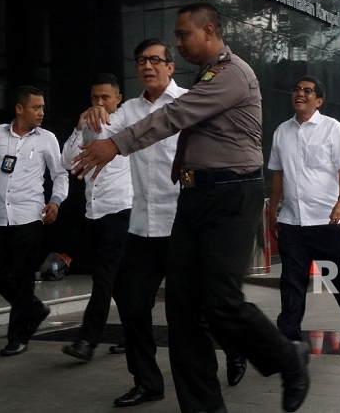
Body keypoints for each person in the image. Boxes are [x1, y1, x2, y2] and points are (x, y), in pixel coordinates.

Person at [71, 3, 310, 413]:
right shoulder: (203, 77)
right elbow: (122, 120)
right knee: (182, 314)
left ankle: (290, 358)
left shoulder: (231, 73)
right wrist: (92, 121)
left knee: (220, 299)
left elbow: (178, 114)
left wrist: (116, 145)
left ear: (209, 30)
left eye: (183, 35)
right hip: (195, 199)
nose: (178, 44)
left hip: (231, 196)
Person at [88, 39, 247, 407]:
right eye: (141, 60)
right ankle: (147, 382)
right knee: (132, 307)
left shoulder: (192, 102)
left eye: (156, 60)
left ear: (170, 67)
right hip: (142, 227)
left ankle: (234, 348)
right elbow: (101, 139)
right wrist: (91, 118)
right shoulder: (127, 110)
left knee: (200, 310)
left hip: (184, 226)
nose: (148, 66)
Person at [0, 85, 69, 356]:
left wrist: (55, 201)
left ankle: (17, 336)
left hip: (31, 217)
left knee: (22, 278)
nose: (41, 112)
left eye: (43, 107)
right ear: (19, 109)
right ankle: (34, 308)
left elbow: (60, 174)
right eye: (36, 107)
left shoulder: (47, 139)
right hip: (0, 216)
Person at [267, 76, 340, 343]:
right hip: (292, 220)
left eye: (307, 91)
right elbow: (278, 175)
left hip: (327, 220)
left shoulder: (332, 128)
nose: (300, 93)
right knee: (291, 281)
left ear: (319, 100)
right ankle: (288, 332)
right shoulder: (281, 132)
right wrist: (272, 211)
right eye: (297, 89)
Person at [60, 74, 133, 361]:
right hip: (94, 210)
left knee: (103, 278)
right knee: (116, 281)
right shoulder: (86, 128)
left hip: (121, 209)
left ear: (118, 99)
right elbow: (66, 162)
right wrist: (79, 128)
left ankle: (87, 340)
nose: (99, 103)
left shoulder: (127, 122)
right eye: (95, 98)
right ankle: (135, 332)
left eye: (105, 97)